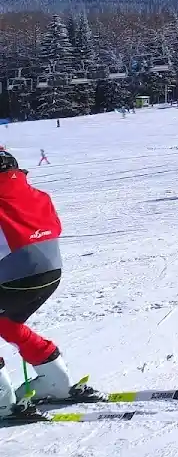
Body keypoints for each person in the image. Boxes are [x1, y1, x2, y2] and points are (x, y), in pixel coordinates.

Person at [0, 148, 73, 413]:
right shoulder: (37, 195)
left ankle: (2, 401)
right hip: (51, 275)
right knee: (8, 324)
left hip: (14, 279)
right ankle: (55, 381)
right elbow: (53, 228)